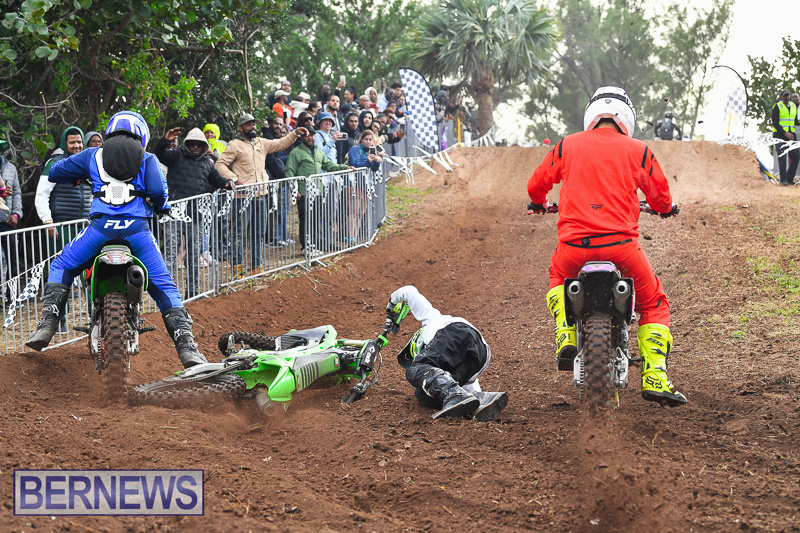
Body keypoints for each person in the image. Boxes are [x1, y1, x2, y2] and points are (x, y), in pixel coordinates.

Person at [527, 86, 686, 407]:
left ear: (591, 114)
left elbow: (536, 185)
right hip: (622, 250)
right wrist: (665, 208)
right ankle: (655, 375)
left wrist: (538, 202)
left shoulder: (567, 145)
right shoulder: (638, 150)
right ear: (627, 117)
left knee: (557, 275)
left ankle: (565, 333)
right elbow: (660, 196)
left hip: (574, 250)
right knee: (654, 304)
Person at [25, 111, 208, 368]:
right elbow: (158, 191)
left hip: (100, 231)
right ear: (141, 134)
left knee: (62, 265)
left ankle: (46, 326)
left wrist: (76, 174)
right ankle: (186, 347)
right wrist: (160, 205)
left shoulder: (93, 155)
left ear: (111, 130)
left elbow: (55, 173)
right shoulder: (148, 158)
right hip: (137, 233)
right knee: (165, 286)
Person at [385, 285, 508, 421]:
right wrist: (477, 402)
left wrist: (392, 303)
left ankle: (455, 395)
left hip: (455, 332)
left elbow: (408, 291)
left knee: (415, 370)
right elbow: (470, 385)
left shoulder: (430, 319)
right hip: (481, 355)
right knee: (423, 395)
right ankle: (482, 400)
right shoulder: (446, 369)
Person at [214, 114, 306, 273]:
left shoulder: (261, 142)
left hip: (261, 195)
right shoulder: (234, 145)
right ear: (241, 128)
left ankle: (257, 266)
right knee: (239, 234)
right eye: (248, 125)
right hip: (242, 197)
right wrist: (234, 179)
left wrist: (295, 133)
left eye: (253, 124)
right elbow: (220, 164)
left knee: (259, 233)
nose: (252, 127)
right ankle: (237, 268)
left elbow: (281, 143)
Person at [154, 127, 234, 298]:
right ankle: (167, 295)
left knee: (193, 256)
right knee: (169, 255)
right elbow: (158, 154)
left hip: (195, 215)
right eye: (192, 144)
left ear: (204, 146)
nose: (196, 147)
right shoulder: (176, 156)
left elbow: (216, 179)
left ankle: (193, 293)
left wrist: (227, 182)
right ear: (187, 144)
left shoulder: (208, 163)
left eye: (199, 144)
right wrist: (165, 140)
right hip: (174, 213)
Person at [286, 126, 351, 254]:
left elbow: (329, 166)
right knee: (305, 219)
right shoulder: (296, 152)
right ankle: (306, 247)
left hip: (318, 191)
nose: (310, 137)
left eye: (312, 135)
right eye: (307, 135)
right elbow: (289, 171)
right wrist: (295, 190)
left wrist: (345, 167)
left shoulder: (318, 152)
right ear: (302, 137)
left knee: (316, 218)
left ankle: (316, 244)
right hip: (304, 191)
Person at [35, 126, 91, 244]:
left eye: (79, 142)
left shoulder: (89, 164)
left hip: (86, 227)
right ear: (65, 144)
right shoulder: (55, 164)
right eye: (72, 142)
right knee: (62, 262)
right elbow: (42, 194)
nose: (76, 145)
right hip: (62, 227)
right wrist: (47, 221)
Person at [345, 130, 382, 243]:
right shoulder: (355, 149)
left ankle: (354, 238)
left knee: (360, 213)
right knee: (354, 212)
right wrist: (367, 161)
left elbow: (374, 169)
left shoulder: (371, 150)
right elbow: (354, 164)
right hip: (353, 184)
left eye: (370, 139)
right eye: (366, 139)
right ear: (361, 139)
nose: (368, 141)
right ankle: (350, 237)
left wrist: (376, 161)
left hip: (366, 185)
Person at [0, 137, 22, 299]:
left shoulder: (10, 168)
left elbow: (17, 193)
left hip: (8, 220)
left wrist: (16, 213)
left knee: (12, 259)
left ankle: (10, 296)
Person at [772, 89, 798, 186]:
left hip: (791, 135)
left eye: (788, 95)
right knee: (782, 156)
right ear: (781, 97)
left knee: (796, 155)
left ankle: (790, 178)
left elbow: (794, 121)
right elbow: (775, 122)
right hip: (780, 135)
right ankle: (783, 180)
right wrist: (784, 133)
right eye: (784, 95)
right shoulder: (777, 106)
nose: (786, 97)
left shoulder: (793, 106)